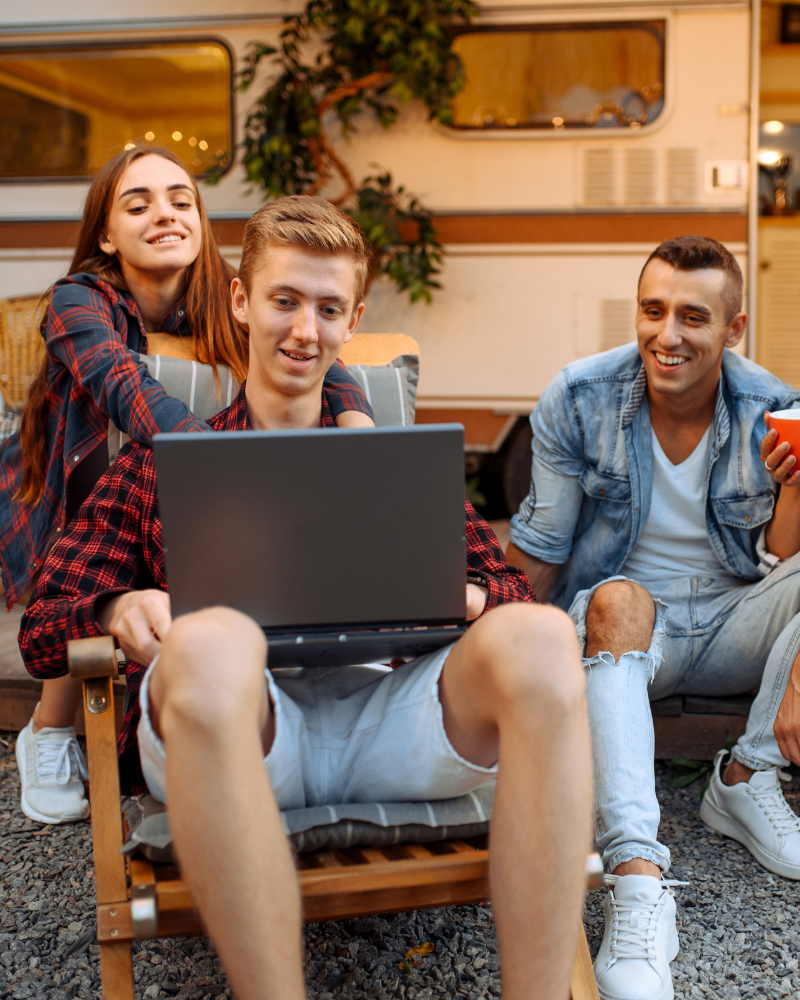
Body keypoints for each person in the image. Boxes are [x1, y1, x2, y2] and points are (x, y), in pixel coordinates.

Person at [20, 195, 593, 1000]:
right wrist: (120, 609)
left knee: (540, 634)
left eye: (327, 309)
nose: (304, 329)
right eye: (285, 300)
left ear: (351, 319)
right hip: (244, 732)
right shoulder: (162, 465)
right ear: (242, 301)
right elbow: (44, 626)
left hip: (391, 724)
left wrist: (463, 597)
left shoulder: (394, 470)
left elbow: (499, 584)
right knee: (212, 638)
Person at [2, 146, 374, 826]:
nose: (164, 213)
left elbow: (306, 342)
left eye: (180, 199)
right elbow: (123, 388)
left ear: (201, 220)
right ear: (107, 235)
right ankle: (50, 727)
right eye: (137, 203)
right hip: (66, 473)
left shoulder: (224, 295)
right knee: (96, 527)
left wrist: (354, 417)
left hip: (170, 475)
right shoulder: (78, 299)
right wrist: (230, 470)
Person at [506, 234, 800, 1000]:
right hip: (628, 631)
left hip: (735, 618)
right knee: (618, 596)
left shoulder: (771, 406)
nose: (667, 336)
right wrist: (488, 655)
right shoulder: (579, 397)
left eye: (693, 317)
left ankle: (744, 775)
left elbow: (776, 565)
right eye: (653, 310)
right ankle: (639, 883)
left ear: (732, 330)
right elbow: (539, 549)